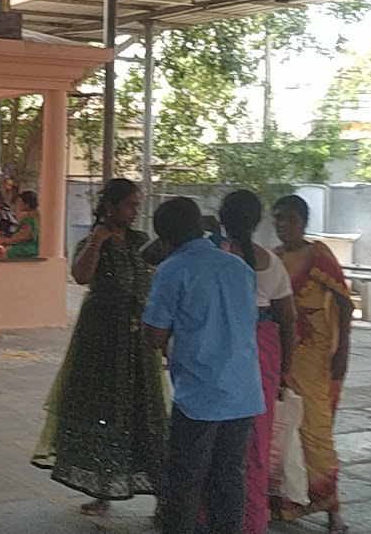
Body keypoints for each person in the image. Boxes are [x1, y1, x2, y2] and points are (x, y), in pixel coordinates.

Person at [32, 178, 168, 517]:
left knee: (145, 410)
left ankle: (160, 491)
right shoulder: (92, 241)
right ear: (110, 206)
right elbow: (81, 277)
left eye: (137, 205)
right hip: (101, 338)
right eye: (130, 204)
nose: (136, 211)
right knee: (103, 410)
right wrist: (96, 241)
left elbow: (157, 273)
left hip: (137, 337)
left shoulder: (140, 242)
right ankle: (101, 488)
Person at [144, 195, 262, 534]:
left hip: (199, 393)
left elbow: (154, 335)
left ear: (165, 239)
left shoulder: (172, 269)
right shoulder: (239, 266)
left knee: (184, 480)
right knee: (229, 476)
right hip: (242, 391)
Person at [271, 194, 352, 533]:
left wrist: (343, 351)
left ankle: (331, 506)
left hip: (315, 356)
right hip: (281, 353)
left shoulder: (318, 255)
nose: (282, 225)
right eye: (277, 218)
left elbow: (344, 304)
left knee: (316, 431)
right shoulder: (271, 259)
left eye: (289, 218)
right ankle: (285, 503)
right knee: (283, 431)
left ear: (303, 222)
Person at [216, 189, 295, 534]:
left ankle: (208, 514)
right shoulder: (271, 262)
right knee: (255, 440)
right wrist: (285, 373)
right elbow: (288, 320)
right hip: (263, 352)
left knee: (214, 434)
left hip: (220, 347)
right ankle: (250, 519)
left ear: (222, 219)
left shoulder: (211, 256)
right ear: (258, 221)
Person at [0, 191, 40, 260]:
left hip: (29, 248)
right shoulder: (38, 215)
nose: (18, 204)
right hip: (36, 247)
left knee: (5, 252)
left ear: (27, 204)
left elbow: (25, 235)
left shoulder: (29, 219)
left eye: (20, 202)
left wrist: (8, 240)